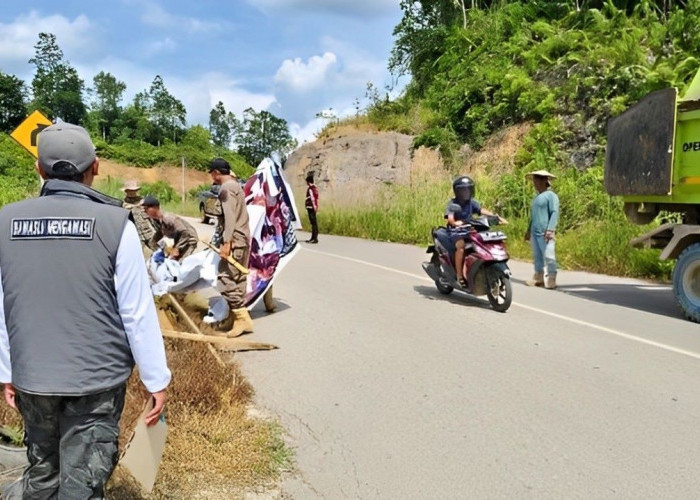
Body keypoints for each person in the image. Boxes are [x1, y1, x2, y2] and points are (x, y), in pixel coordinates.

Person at [0, 123, 171, 498]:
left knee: (42, 474)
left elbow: (2, 306)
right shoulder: (115, 224)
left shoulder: (5, 222)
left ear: (38, 169)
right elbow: (136, 312)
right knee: (82, 486)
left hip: (33, 378)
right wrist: (156, 380)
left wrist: (7, 371)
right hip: (95, 384)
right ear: (95, 167)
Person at [209, 157, 253, 337]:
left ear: (216, 173)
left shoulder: (226, 188)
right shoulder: (235, 185)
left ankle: (242, 318)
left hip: (234, 241)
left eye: (212, 173)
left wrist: (227, 242)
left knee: (225, 278)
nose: (211, 177)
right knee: (239, 280)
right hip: (243, 239)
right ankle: (238, 319)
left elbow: (229, 217)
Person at [446, 175, 506, 286]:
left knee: (482, 242)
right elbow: (450, 218)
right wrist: (455, 223)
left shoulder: (471, 202)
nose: (466, 192)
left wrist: (495, 217)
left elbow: (481, 210)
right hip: (456, 231)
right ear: (457, 191)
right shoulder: (453, 204)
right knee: (461, 246)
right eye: (463, 190)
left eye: (468, 189)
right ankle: (459, 276)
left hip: (469, 229)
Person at [525, 170, 559, 289]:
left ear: (545, 181)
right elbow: (533, 216)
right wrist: (529, 230)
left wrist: (550, 229)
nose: (535, 183)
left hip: (545, 232)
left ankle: (551, 277)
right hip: (535, 231)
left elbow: (554, 212)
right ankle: (538, 277)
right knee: (537, 256)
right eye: (534, 180)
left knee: (549, 255)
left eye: (537, 180)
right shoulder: (536, 197)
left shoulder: (551, 196)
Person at [141, 195, 200, 261]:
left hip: (189, 240)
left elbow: (184, 232)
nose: (144, 211)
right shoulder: (157, 220)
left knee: (179, 264)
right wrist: (154, 245)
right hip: (179, 240)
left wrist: (177, 249)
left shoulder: (168, 218)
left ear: (155, 207)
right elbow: (160, 233)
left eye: (146, 208)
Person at [121, 179, 157, 250]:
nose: (132, 192)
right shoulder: (123, 204)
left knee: (159, 252)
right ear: (126, 191)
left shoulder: (144, 201)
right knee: (137, 255)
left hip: (149, 232)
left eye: (134, 190)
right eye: (130, 191)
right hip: (136, 235)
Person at [305, 171, 319, 243]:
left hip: (311, 208)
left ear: (308, 182)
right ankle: (313, 237)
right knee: (314, 223)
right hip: (313, 207)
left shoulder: (310, 189)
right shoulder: (314, 188)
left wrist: (314, 207)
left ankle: (314, 238)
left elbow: (313, 199)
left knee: (313, 223)